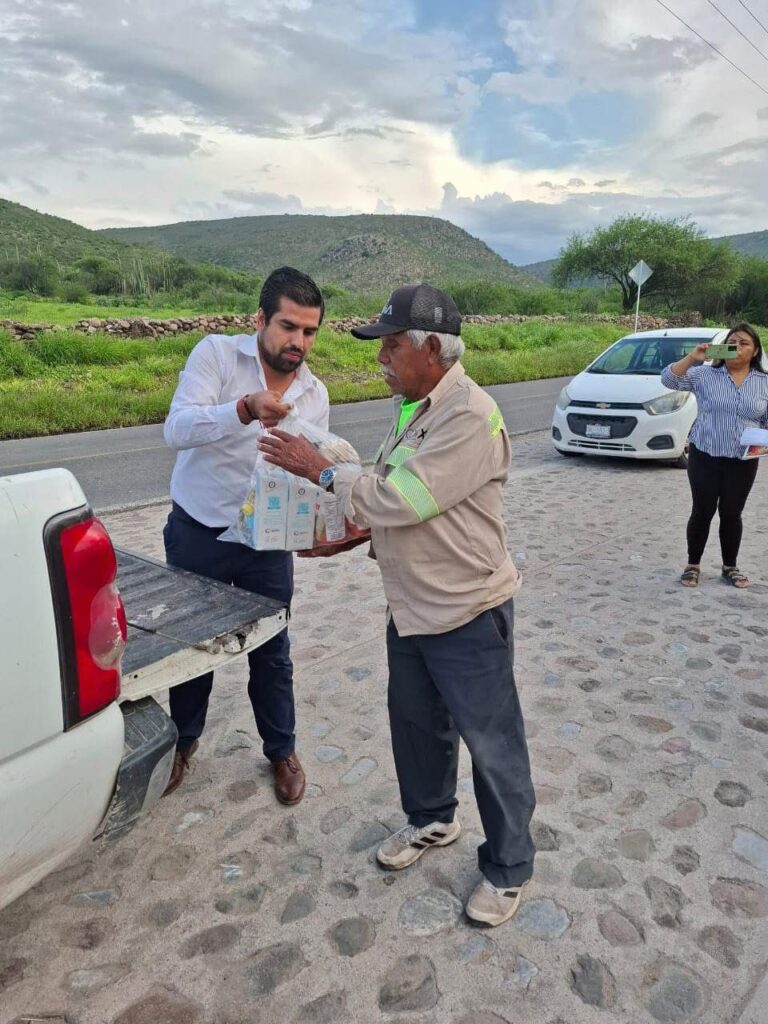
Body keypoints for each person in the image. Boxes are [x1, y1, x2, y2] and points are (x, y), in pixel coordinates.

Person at [259, 284, 536, 927]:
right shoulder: (415, 404)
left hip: (467, 610)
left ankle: (508, 866)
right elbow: (393, 495)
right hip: (412, 606)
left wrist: (320, 470)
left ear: (431, 348)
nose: (379, 358)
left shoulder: (470, 413)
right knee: (416, 725)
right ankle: (433, 819)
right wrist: (350, 535)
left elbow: (402, 499)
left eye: (389, 345)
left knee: (493, 745)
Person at [161, 267, 330, 803]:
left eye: (309, 332)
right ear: (260, 319)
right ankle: (182, 745)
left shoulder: (314, 393)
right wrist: (243, 408)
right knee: (192, 648)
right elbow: (177, 429)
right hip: (199, 532)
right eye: (288, 327)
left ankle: (281, 751)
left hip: (267, 541)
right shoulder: (215, 355)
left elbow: (308, 473)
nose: (298, 342)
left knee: (272, 650)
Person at [661, 322, 768, 588]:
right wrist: (693, 357)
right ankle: (692, 564)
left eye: (744, 343)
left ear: (755, 351)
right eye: (732, 342)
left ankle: (730, 566)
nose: (737, 347)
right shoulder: (704, 375)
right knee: (702, 510)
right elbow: (668, 379)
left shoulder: (764, 382)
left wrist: (763, 443)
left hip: (743, 461)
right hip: (705, 456)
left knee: (732, 513)